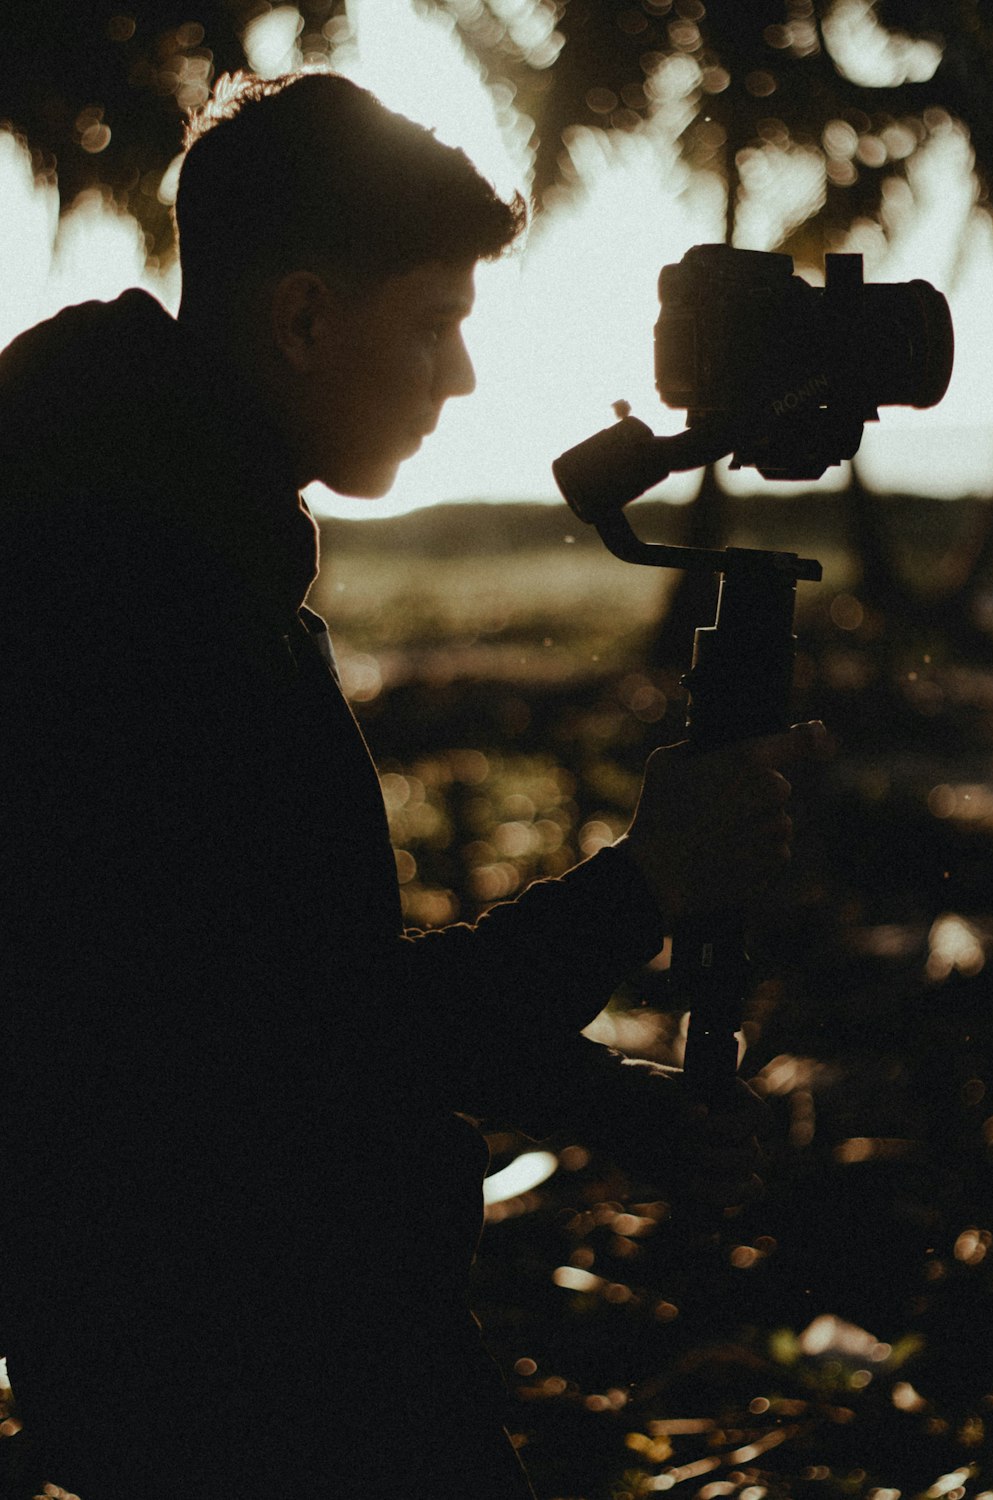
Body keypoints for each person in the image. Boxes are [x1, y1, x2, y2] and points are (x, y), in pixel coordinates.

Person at [0, 71, 818, 1499]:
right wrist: (645, 884)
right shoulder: (140, 601)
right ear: (306, 317)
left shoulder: (140, 528)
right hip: (255, 1375)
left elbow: (274, 1001)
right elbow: (317, 1043)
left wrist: (608, 1103)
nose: (462, 376)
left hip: (207, 1339)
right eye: (436, 324)